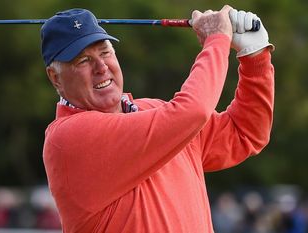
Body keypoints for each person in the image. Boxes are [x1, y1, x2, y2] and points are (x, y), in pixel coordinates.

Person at [40, 5, 274, 232]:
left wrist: (255, 57)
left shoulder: (155, 111)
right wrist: (217, 39)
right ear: (55, 78)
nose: (101, 67)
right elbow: (192, 111)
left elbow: (245, 132)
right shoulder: (69, 137)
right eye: (83, 61)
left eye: (105, 52)